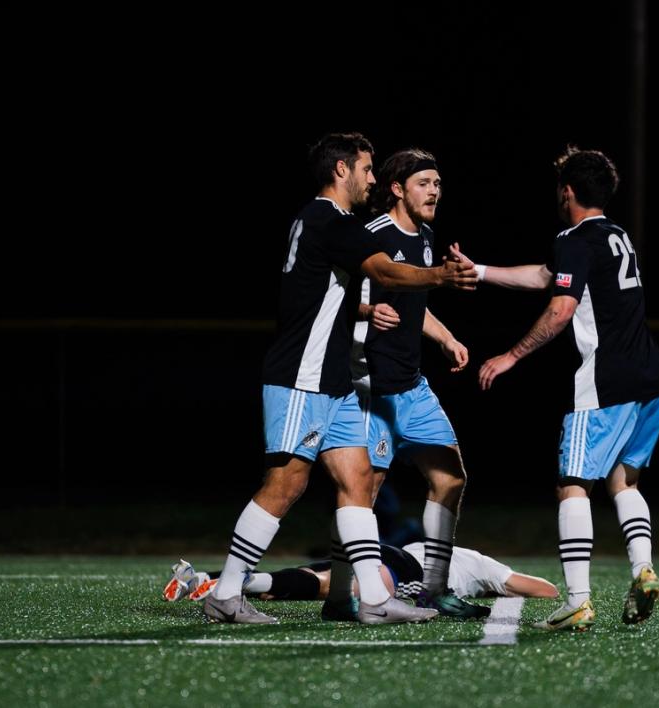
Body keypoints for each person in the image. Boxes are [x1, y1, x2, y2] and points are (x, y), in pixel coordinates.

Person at [204, 133, 477, 626]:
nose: (372, 179)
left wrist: (369, 308)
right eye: (367, 169)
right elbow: (384, 271)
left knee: (357, 484)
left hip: (335, 383)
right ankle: (225, 591)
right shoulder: (332, 220)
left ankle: (371, 599)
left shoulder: (323, 223)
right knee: (285, 484)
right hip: (301, 377)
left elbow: (328, 292)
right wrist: (440, 277)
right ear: (341, 171)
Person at [452, 146, 659, 630]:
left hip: (606, 382)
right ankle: (643, 570)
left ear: (566, 191)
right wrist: (481, 271)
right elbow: (550, 277)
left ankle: (578, 600)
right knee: (623, 482)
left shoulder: (574, 237)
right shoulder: (614, 235)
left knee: (572, 486)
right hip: (652, 378)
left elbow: (561, 307)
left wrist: (510, 355)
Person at [325, 148, 486, 620]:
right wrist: (366, 311)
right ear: (397, 188)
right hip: (368, 388)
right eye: (424, 182)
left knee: (450, 476)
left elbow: (415, 305)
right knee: (362, 495)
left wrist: (447, 338)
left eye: (438, 182)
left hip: (412, 387)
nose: (434, 189)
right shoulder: (369, 237)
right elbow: (329, 299)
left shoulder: (427, 236)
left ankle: (434, 590)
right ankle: (341, 596)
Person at [163, 544, 559, 605]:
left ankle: (204, 577)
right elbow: (546, 591)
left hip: (384, 547)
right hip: (409, 570)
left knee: (300, 578)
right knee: (322, 586)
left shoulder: (449, 547)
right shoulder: (484, 564)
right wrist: (499, 587)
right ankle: (232, 584)